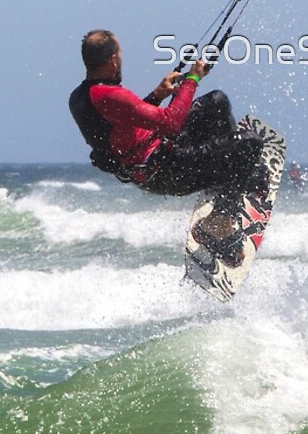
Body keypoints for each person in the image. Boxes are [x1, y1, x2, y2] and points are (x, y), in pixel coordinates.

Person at [69, 30, 267, 264]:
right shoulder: (109, 95)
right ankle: (216, 226)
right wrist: (193, 79)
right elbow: (171, 124)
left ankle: (227, 179)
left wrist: (157, 95)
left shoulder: (82, 95)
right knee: (250, 143)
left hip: (156, 154)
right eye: (120, 55)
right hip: (164, 171)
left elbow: (124, 127)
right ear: (113, 59)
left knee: (216, 101)